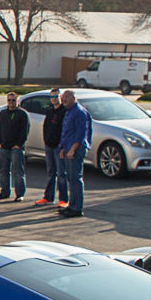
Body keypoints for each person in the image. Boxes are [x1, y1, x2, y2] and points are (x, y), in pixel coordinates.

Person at [57, 88, 93, 218]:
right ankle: (71, 205)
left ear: (74, 98)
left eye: (67, 97)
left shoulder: (79, 112)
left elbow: (80, 134)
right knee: (70, 178)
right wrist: (63, 148)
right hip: (68, 148)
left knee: (75, 178)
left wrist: (72, 150)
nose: (64, 99)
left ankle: (77, 208)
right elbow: (67, 132)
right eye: (63, 97)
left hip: (76, 149)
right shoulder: (68, 111)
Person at [0, 92, 28, 200]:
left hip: (16, 149)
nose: (11, 102)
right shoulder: (3, 113)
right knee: (3, 172)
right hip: (3, 147)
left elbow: (25, 131)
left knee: (18, 172)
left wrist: (19, 144)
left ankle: (20, 194)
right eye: (9, 100)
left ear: (17, 101)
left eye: (13, 100)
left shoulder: (22, 114)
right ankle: (5, 192)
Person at [36, 96, 66, 207]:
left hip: (59, 147)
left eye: (56, 96)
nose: (54, 99)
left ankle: (63, 200)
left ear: (60, 97)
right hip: (49, 146)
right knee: (50, 173)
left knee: (62, 174)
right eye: (52, 97)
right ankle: (48, 197)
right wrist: (46, 141)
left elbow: (65, 130)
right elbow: (45, 127)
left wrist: (62, 145)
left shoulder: (64, 112)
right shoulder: (49, 112)